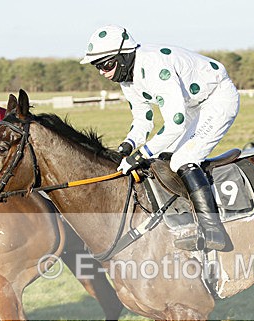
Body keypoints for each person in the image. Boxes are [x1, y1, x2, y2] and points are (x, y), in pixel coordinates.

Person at [80, 25, 239, 251]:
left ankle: (213, 230)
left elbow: (175, 123)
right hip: (194, 106)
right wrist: (126, 147)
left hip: (217, 100)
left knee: (182, 160)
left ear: (124, 57)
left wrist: (141, 155)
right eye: (98, 67)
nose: (103, 73)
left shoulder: (154, 67)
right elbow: (143, 120)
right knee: (163, 157)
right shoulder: (127, 78)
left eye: (106, 65)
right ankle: (185, 219)